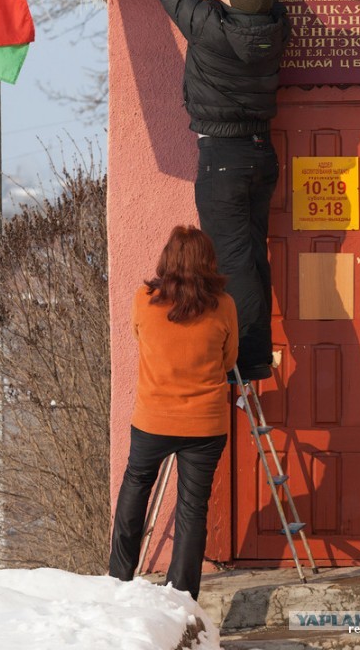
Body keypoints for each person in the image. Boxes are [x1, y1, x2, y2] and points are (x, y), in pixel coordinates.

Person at [135, 0, 291, 380]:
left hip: (223, 158)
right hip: (261, 154)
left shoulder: (210, 27)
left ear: (226, 5)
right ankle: (258, 354)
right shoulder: (274, 29)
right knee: (253, 258)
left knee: (237, 261)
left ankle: (246, 361)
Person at [109, 225, 238, 600]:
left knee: (135, 488)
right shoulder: (224, 304)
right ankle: (181, 594)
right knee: (192, 508)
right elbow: (229, 360)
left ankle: (119, 578)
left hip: (153, 418)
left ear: (167, 258)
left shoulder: (144, 298)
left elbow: (139, 338)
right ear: (208, 261)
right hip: (206, 422)